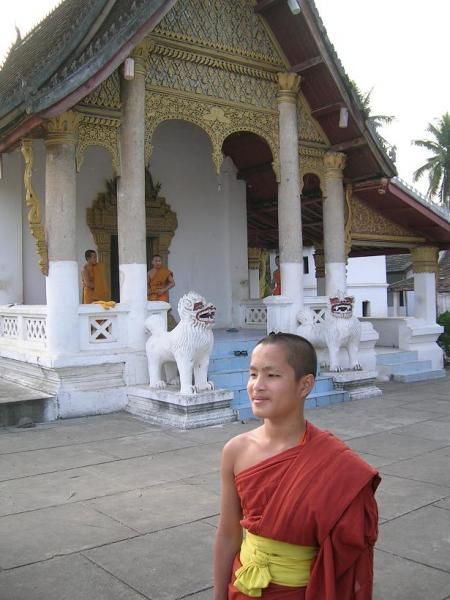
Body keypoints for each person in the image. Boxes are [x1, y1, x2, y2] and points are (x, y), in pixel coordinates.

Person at [213, 333, 380, 599]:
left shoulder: (336, 464)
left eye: (272, 375)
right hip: (243, 586)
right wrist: (220, 595)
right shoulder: (236, 450)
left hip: (303, 592)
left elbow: (350, 550)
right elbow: (228, 534)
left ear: (305, 385)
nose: (257, 385)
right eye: (253, 374)